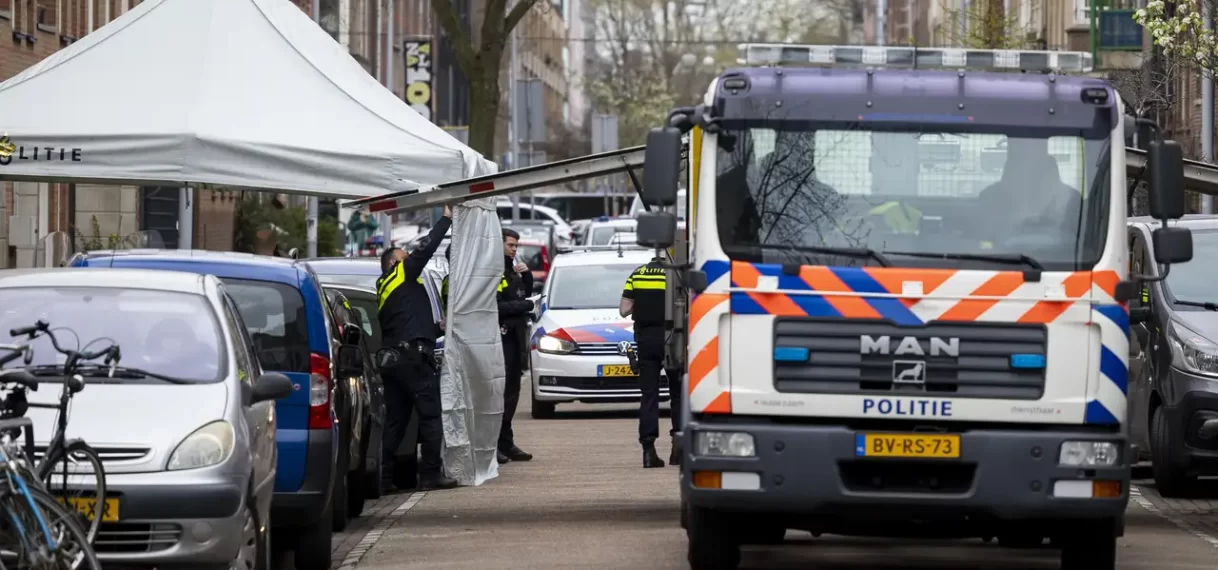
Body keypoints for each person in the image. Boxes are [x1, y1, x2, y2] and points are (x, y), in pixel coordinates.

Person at [377, 206, 458, 491]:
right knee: (431, 415)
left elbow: (406, 321)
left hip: (395, 359)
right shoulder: (400, 275)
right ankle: (432, 474)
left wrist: (438, 327)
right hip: (412, 358)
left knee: (396, 421)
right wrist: (446, 219)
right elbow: (425, 249)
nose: (409, 260)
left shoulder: (387, 287)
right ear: (393, 264)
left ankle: (384, 479)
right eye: (403, 258)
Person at [619, 254, 682, 468]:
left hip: (646, 339)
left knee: (649, 395)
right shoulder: (677, 274)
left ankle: (648, 451)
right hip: (674, 339)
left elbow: (624, 309)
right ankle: (678, 450)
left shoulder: (638, 274)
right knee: (678, 395)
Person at [496, 228, 535, 464]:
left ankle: (506, 442)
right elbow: (497, 306)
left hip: (515, 339)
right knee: (501, 396)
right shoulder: (495, 271)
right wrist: (525, 306)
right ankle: (498, 444)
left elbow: (522, 293)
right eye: (510, 245)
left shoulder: (512, 269)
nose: (514, 249)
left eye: (516, 246)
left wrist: (527, 276)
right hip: (502, 339)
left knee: (512, 395)